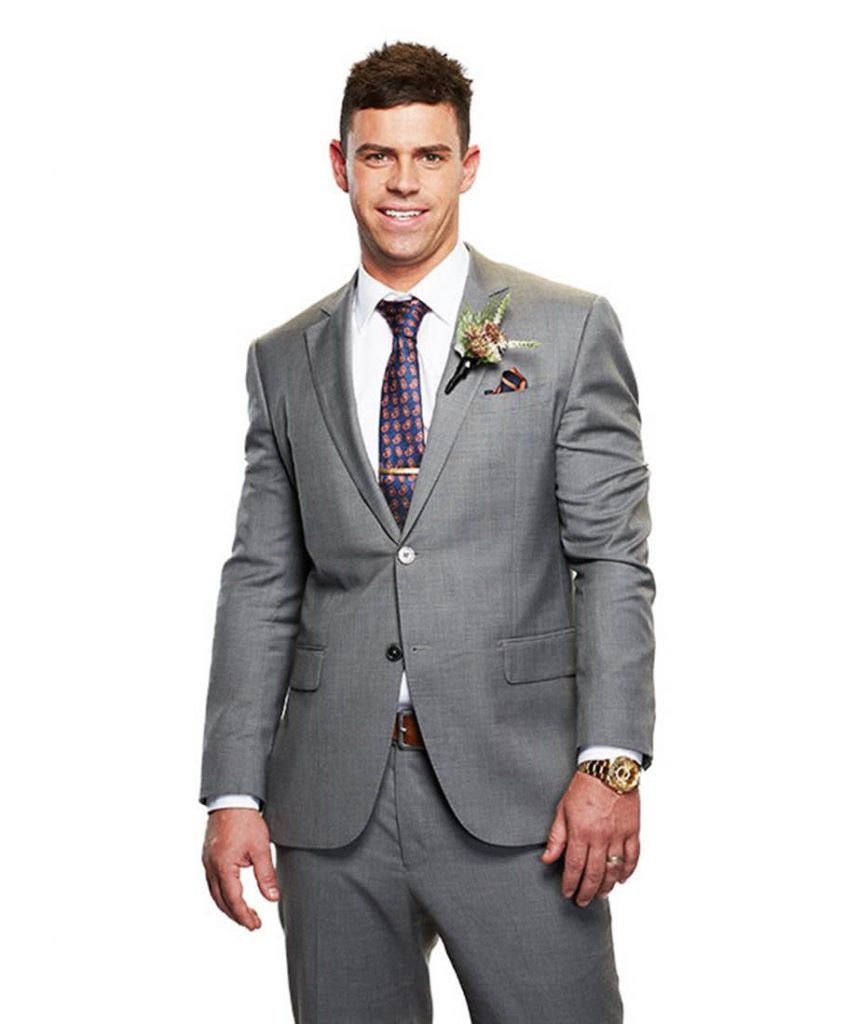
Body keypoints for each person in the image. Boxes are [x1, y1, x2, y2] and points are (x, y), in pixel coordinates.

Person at [200, 40, 655, 1024]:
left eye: (428, 156)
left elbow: (612, 558)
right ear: (341, 165)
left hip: (523, 795)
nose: (402, 183)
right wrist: (232, 789)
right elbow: (262, 579)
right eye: (378, 156)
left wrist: (610, 760)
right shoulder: (283, 358)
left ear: (467, 165)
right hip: (330, 803)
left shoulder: (566, 329)